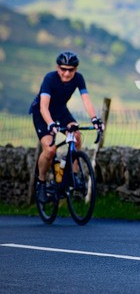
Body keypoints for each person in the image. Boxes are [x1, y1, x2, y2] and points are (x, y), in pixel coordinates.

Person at [30, 51, 104, 203]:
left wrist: (94, 119)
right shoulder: (50, 78)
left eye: (71, 69)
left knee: (76, 136)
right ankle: (41, 183)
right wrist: (50, 123)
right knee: (50, 150)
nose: (67, 73)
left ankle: (72, 176)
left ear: (75, 70)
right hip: (42, 114)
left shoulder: (78, 78)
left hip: (61, 111)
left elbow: (86, 100)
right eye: (63, 69)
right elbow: (44, 106)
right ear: (58, 68)